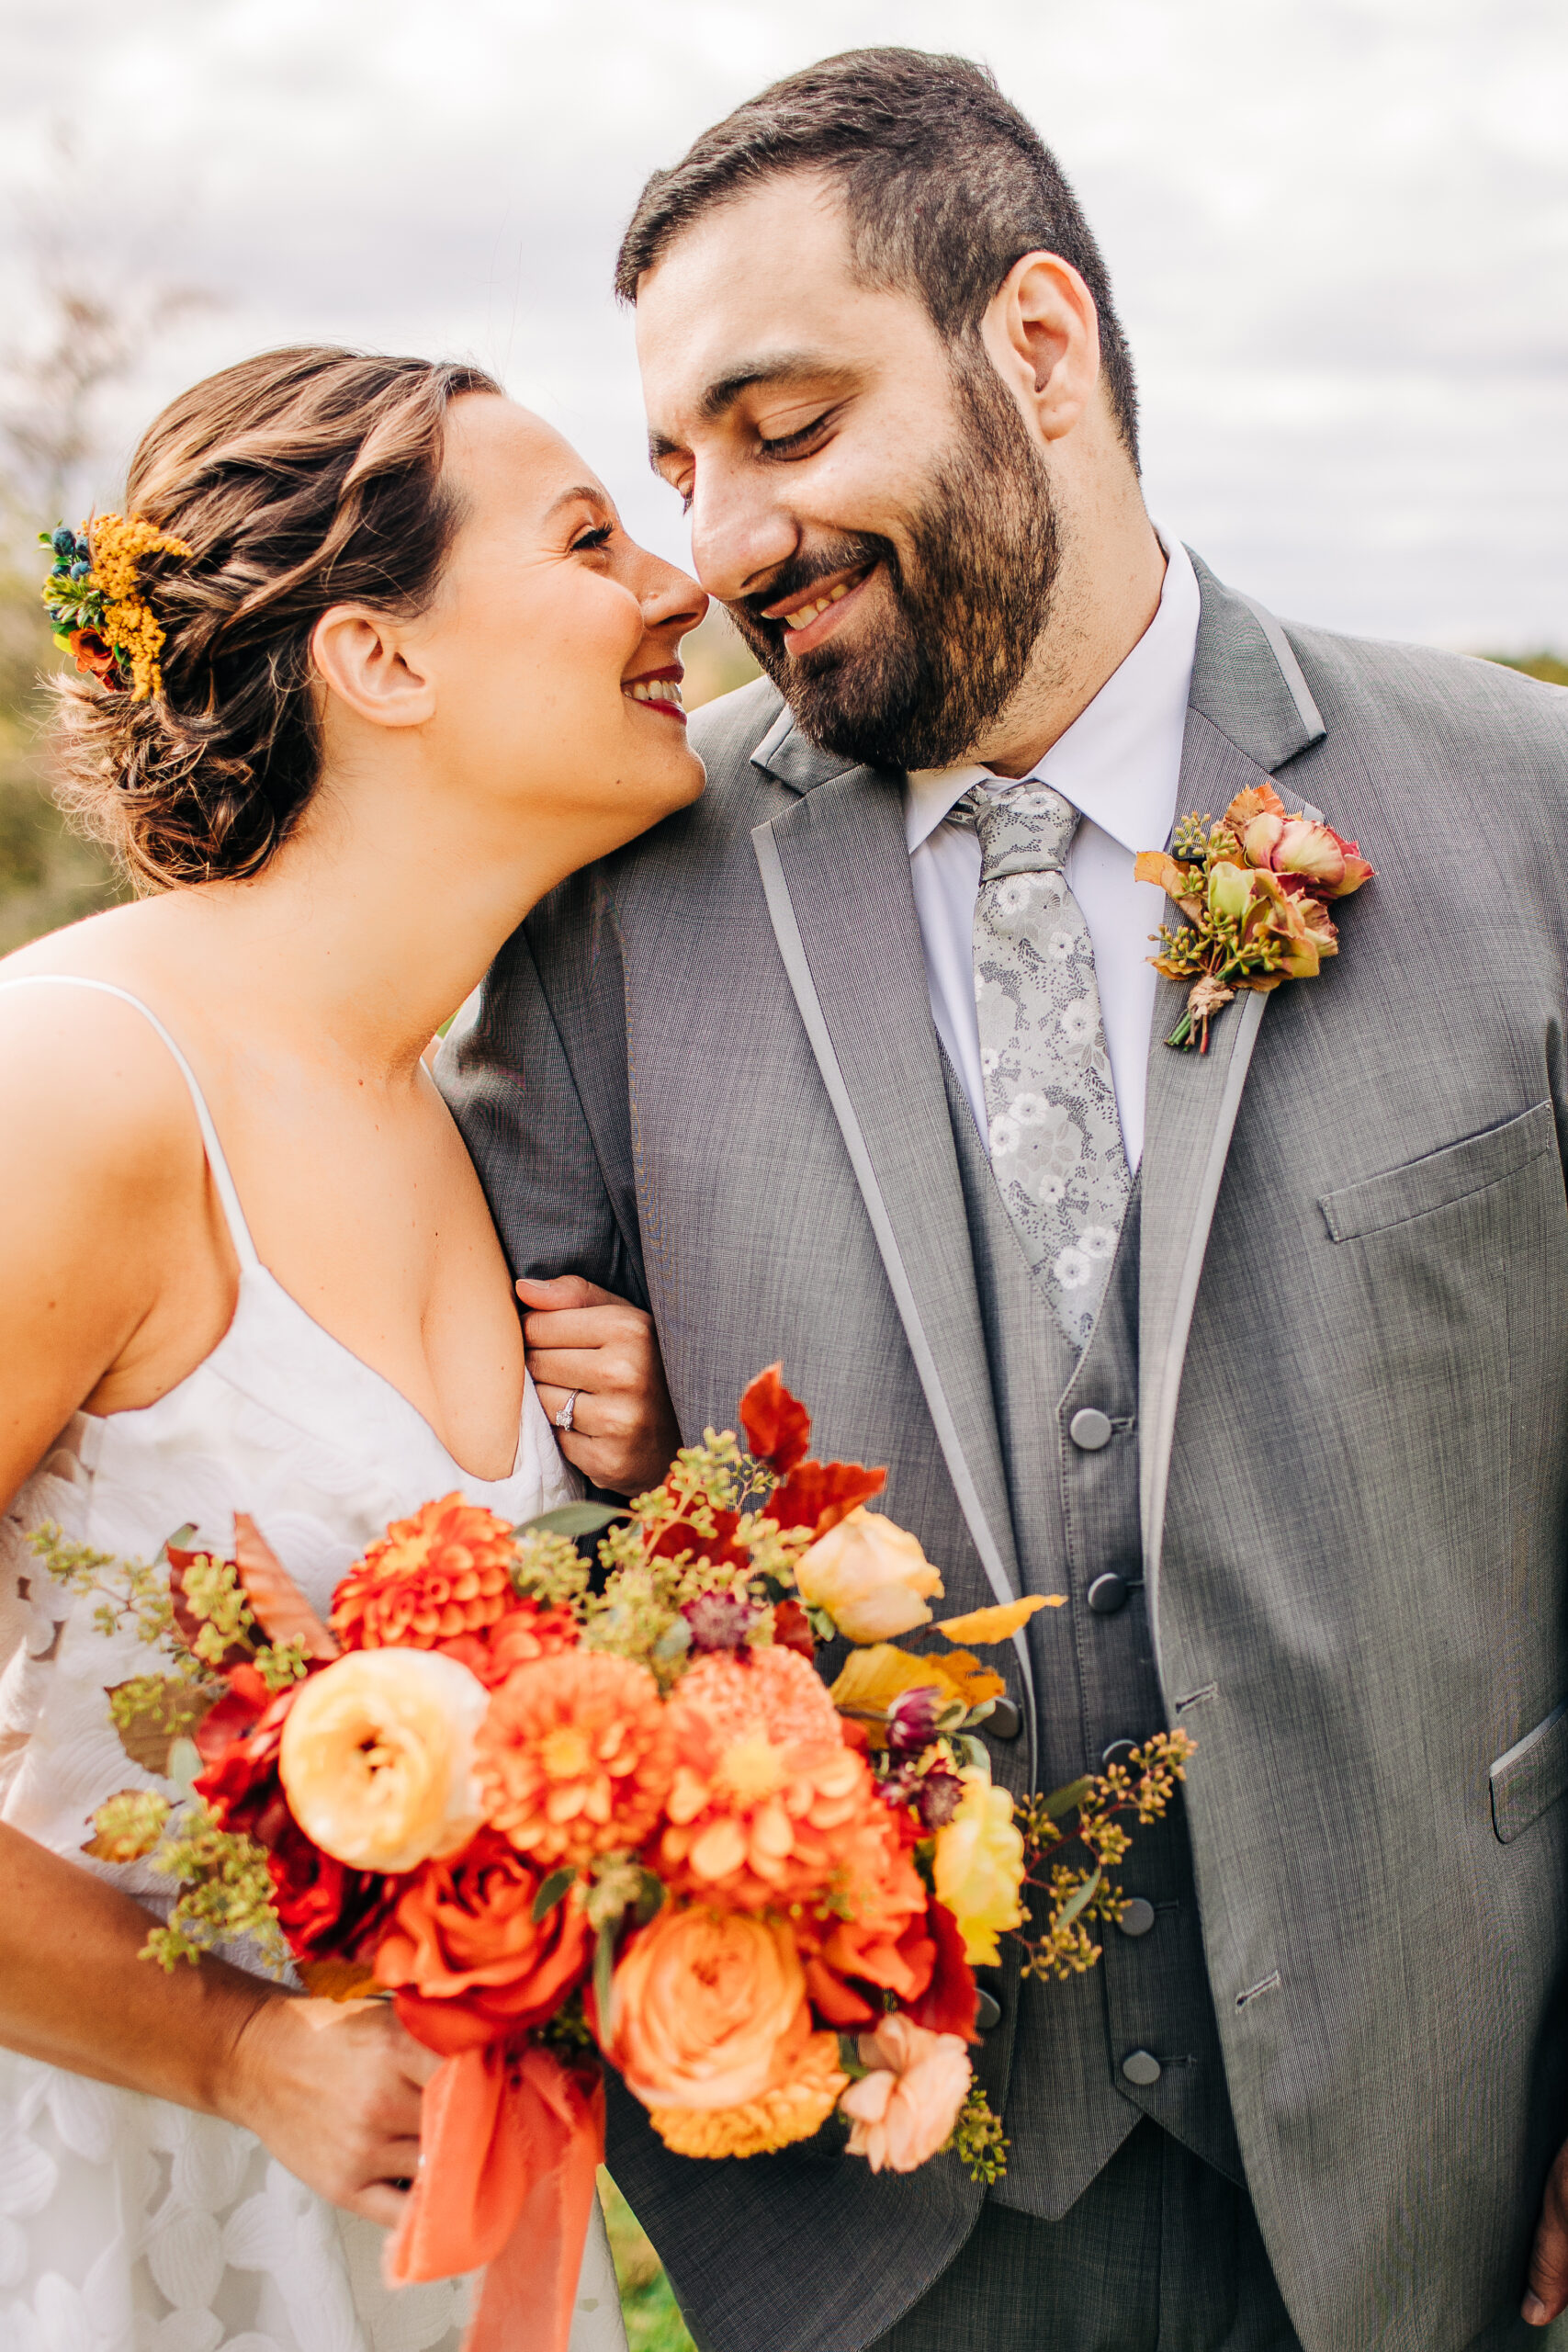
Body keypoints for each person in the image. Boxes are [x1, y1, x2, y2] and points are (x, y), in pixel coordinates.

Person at [439, 45, 1568, 2352]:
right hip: (866, 2214)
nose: (722, 536)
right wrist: (621, 1485)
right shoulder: (608, 901)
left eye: (782, 424)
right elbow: (465, 1493)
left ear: (1032, 347)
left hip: (1422, 2141)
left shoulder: (1524, 813)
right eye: (674, 464)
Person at [0, 345, 707, 2352]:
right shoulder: (74, 1081)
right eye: (590, 536)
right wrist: (234, 2055)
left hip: (407, 2250)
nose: (679, 584)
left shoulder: (472, 1120)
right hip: (114, 2219)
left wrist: (628, 1470)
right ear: (377, 661)